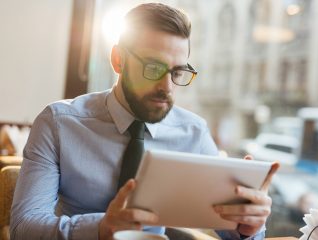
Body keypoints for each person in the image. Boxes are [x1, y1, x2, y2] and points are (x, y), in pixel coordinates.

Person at [10, 3, 278, 240]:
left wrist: (247, 226)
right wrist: (102, 228)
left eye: (177, 71)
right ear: (118, 60)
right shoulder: (58, 123)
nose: (167, 87)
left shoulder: (193, 133)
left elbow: (228, 228)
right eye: (153, 68)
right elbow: (24, 229)